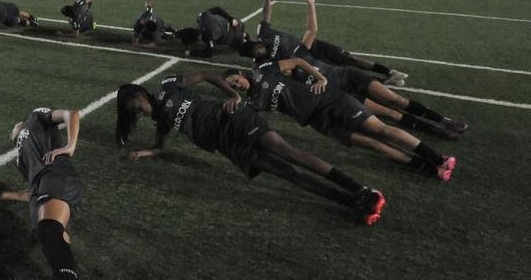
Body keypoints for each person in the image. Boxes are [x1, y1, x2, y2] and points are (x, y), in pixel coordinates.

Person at [115, 73, 386, 225]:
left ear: (141, 94)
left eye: (137, 103)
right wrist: (144, 152)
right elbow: (159, 147)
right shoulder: (159, 120)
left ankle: (362, 190)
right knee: (287, 173)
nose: (140, 109)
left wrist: (233, 95)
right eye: (135, 111)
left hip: (234, 119)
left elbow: (206, 75)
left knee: (289, 152)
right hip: (226, 144)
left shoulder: (167, 87)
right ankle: (350, 203)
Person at [224, 60, 456, 180]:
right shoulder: (252, 102)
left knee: (381, 130)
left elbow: (296, 61)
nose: (236, 84)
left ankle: (438, 157)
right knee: (372, 144)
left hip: (330, 101)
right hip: (317, 122)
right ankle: (425, 167)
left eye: (235, 79)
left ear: (241, 74)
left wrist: (320, 77)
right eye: (232, 86)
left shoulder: (264, 71)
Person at [0, 106, 94, 280]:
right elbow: (34, 193)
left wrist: (69, 146)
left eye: (14, 129)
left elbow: (71, 114)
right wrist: (6, 195)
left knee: (49, 233)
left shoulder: (35, 117)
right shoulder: (21, 156)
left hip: (56, 176)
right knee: (56, 242)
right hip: (46, 188)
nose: (13, 132)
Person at [241, 0, 408, 85]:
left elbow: (266, 13)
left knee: (347, 58)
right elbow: (261, 72)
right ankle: (382, 81)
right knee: (338, 73)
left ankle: (389, 72)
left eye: (258, 47)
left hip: (309, 45)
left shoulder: (263, 33)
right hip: (305, 57)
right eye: (256, 53)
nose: (259, 50)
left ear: (258, 43)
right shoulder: (263, 61)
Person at [177, 6, 247, 57]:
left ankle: (243, 39)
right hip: (238, 25)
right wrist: (231, 19)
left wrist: (191, 53)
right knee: (238, 35)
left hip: (235, 38)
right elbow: (217, 9)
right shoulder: (204, 16)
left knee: (239, 42)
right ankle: (244, 36)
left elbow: (209, 53)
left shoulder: (207, 36)